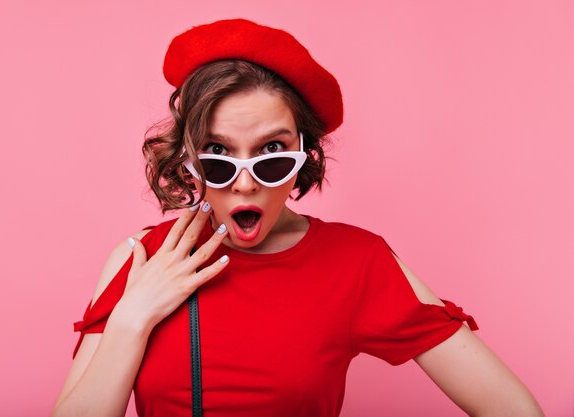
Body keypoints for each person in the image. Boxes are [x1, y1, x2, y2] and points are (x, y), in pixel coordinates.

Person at [53, 18, 544, 417]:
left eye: (270, 153)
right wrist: (131, 320)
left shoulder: (356, 263)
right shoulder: (141, 259)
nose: (245, 184)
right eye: (218, 155)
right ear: (188, 161)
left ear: (303, 157)